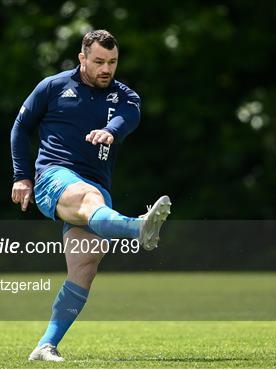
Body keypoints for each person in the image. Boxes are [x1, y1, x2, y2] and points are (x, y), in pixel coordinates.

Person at [10, 29, 171, 362]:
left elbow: (130, 117)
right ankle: (137, 227)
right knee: (86, 196)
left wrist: (110, 131)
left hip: (96, 190)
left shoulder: (125, 96)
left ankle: (45, 345)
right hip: (52, 178)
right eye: (98, 61)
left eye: (112, 62)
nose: (106, 69)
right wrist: (21, 176)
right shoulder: (53, 87)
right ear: (82, 58)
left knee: (84, 266)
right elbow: (21, 128)